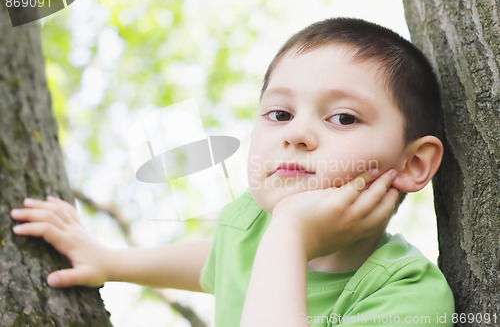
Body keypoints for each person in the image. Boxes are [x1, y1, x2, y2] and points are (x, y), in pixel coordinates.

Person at [11, 18, 454, 326]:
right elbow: (218, 258)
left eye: (342, 118)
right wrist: (111, 262)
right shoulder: (252, 224)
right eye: (279, 113)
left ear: (412, 164)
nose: (297, 133)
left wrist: (291, 237)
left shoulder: (408, 297)